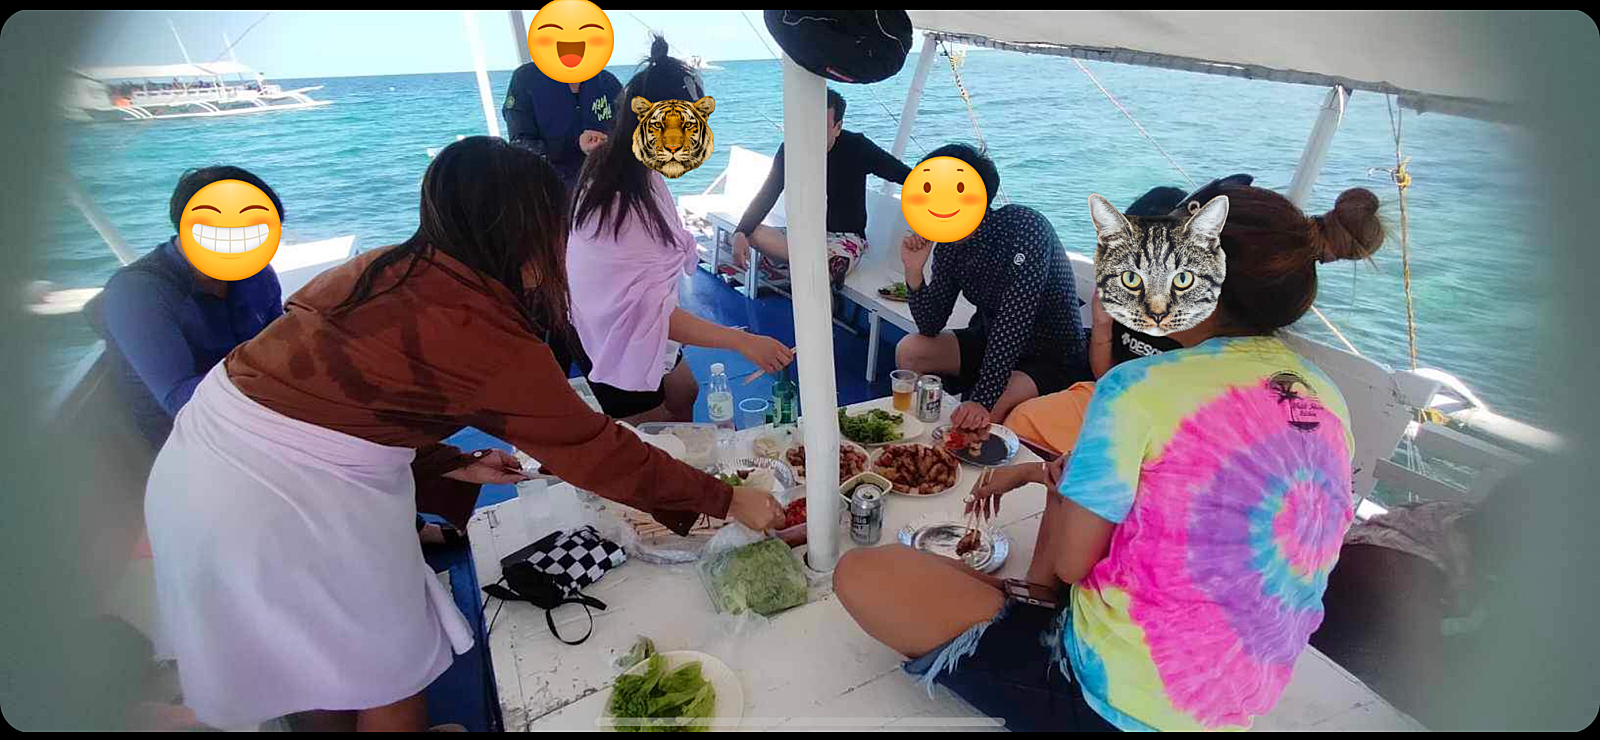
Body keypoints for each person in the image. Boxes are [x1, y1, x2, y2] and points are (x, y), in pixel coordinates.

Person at [143, 137, 787, 732]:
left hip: (203, 462)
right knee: (390, 668)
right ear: (520, 233)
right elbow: (594, 448)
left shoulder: (383, 268)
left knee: (321, 655)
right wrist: (726, 498)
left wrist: (446, 463)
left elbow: (338, 403)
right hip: (280, 498)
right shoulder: (478, 328)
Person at [835, 184, 1387, 731]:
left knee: (863, 574)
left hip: (1113, 697)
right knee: (965, 568)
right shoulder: (1325, 398)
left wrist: (1054, 485)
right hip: (1236, 697)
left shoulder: (1138, 387)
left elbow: (1072, 566)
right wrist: (1039, 474)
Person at [567, 36, 793, 423]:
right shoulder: (618, 200)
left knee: (685, 391)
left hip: (631, 320)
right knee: (652, 437)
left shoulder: (634, 166)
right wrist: (743, 341)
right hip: (611, 335)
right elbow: (646, 313)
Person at [1005, 177, 1252, 456]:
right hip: (1115, 395)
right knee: (1022, 420)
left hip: (1165, 422)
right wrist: (1102, 323)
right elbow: (1105, 376)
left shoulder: (1202, 322)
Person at [84, 166, 286, 452]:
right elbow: (179, 400)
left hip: (257, 407)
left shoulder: (257, 273)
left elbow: (279, 342)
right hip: (189, 437)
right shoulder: (138, 293)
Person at [895, 143, 1092, 432]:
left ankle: (960, 452)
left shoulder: (1025, 228)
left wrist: (982, 400)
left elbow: (1014, 321)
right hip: (989, 341)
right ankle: (913, 434)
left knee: (988, 412)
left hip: (1050, 355)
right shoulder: (949, 244)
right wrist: (914, 272)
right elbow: (930, 324)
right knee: (911, 350)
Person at [730, 88, 914, 286]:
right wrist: (740, 232)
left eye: (822, 126)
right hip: (802, 234)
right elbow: (768, 193)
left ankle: (795, 269)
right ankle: (805, 267)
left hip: (845, 238)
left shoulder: (857, 147)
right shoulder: (791, 149)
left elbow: (902, 174)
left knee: (833, 264)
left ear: (838, 127)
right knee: (752, 232)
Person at [502, 51, 624, 191]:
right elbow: (520, 145)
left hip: (607, 186)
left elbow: (625, 132)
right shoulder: (525, 79)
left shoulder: (608, 82)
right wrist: (576, 144)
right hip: (552, 190)